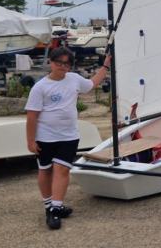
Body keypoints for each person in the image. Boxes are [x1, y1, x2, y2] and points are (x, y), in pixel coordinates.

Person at [25, 47, 110, 230]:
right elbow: (32, 116)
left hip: (69, 136)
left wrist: (105, 66)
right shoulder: (40, 87)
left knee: (62, 170)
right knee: (45, 171)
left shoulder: (74, 79)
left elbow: (92, 83)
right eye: (59, 63)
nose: (62, 67)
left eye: (66, 64)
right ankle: (48, 205)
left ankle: (56, 208)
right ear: (51, 63)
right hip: (45, 137)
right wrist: (31, 141)